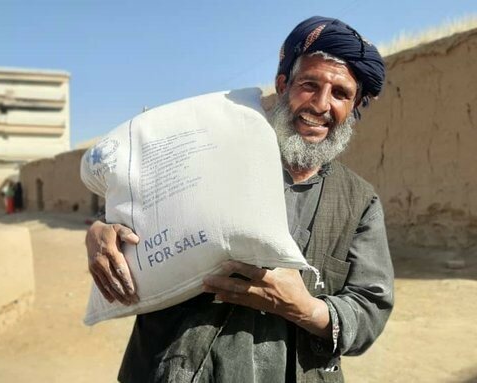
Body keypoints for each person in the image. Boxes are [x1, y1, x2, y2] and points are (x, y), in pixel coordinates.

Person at [85, 16, 394, 382]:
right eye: (309, 85)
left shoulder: (359, 202)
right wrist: (102, 230)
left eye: (341, 93)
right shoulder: (209, 154)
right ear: (283, 86)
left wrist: (304, 308)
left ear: (354, 105)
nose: (321, 105)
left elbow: (370, 306)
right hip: (174, 369)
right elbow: (138, 211)